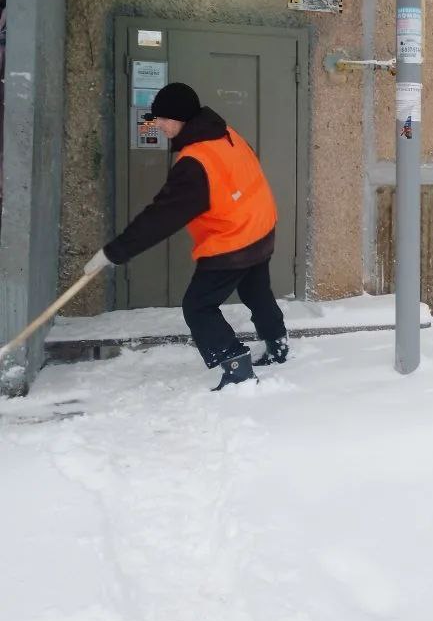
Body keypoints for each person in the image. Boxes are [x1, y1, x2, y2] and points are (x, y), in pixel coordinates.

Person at [84, 82, 289, 391]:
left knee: (198, 306)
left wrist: (114, 252)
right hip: (260, 225)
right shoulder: (225, 132)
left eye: (165, 118)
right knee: (255, 289)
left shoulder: (196, 161)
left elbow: (160, 218)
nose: (159, 125)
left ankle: (237, 369)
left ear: (183, 118)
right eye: (156, 118)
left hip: (233, 239)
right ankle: (278, 345)